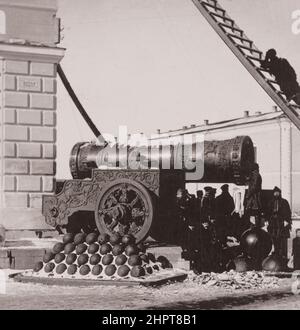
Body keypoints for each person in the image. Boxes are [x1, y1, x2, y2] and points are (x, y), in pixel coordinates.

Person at [266, 186, 292, 261]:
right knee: (274, 238)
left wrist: (287, 221)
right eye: (275, 192)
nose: (276, 194)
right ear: (273, 193)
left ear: (280, 193)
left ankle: (283, 255)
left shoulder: (284, 202)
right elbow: (267, 212)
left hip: (281, 223)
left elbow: (288, 212)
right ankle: (276, 254)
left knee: (282, 239)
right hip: (273, 223)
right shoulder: (270, 202)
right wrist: (266, 220)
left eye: (278, 192)